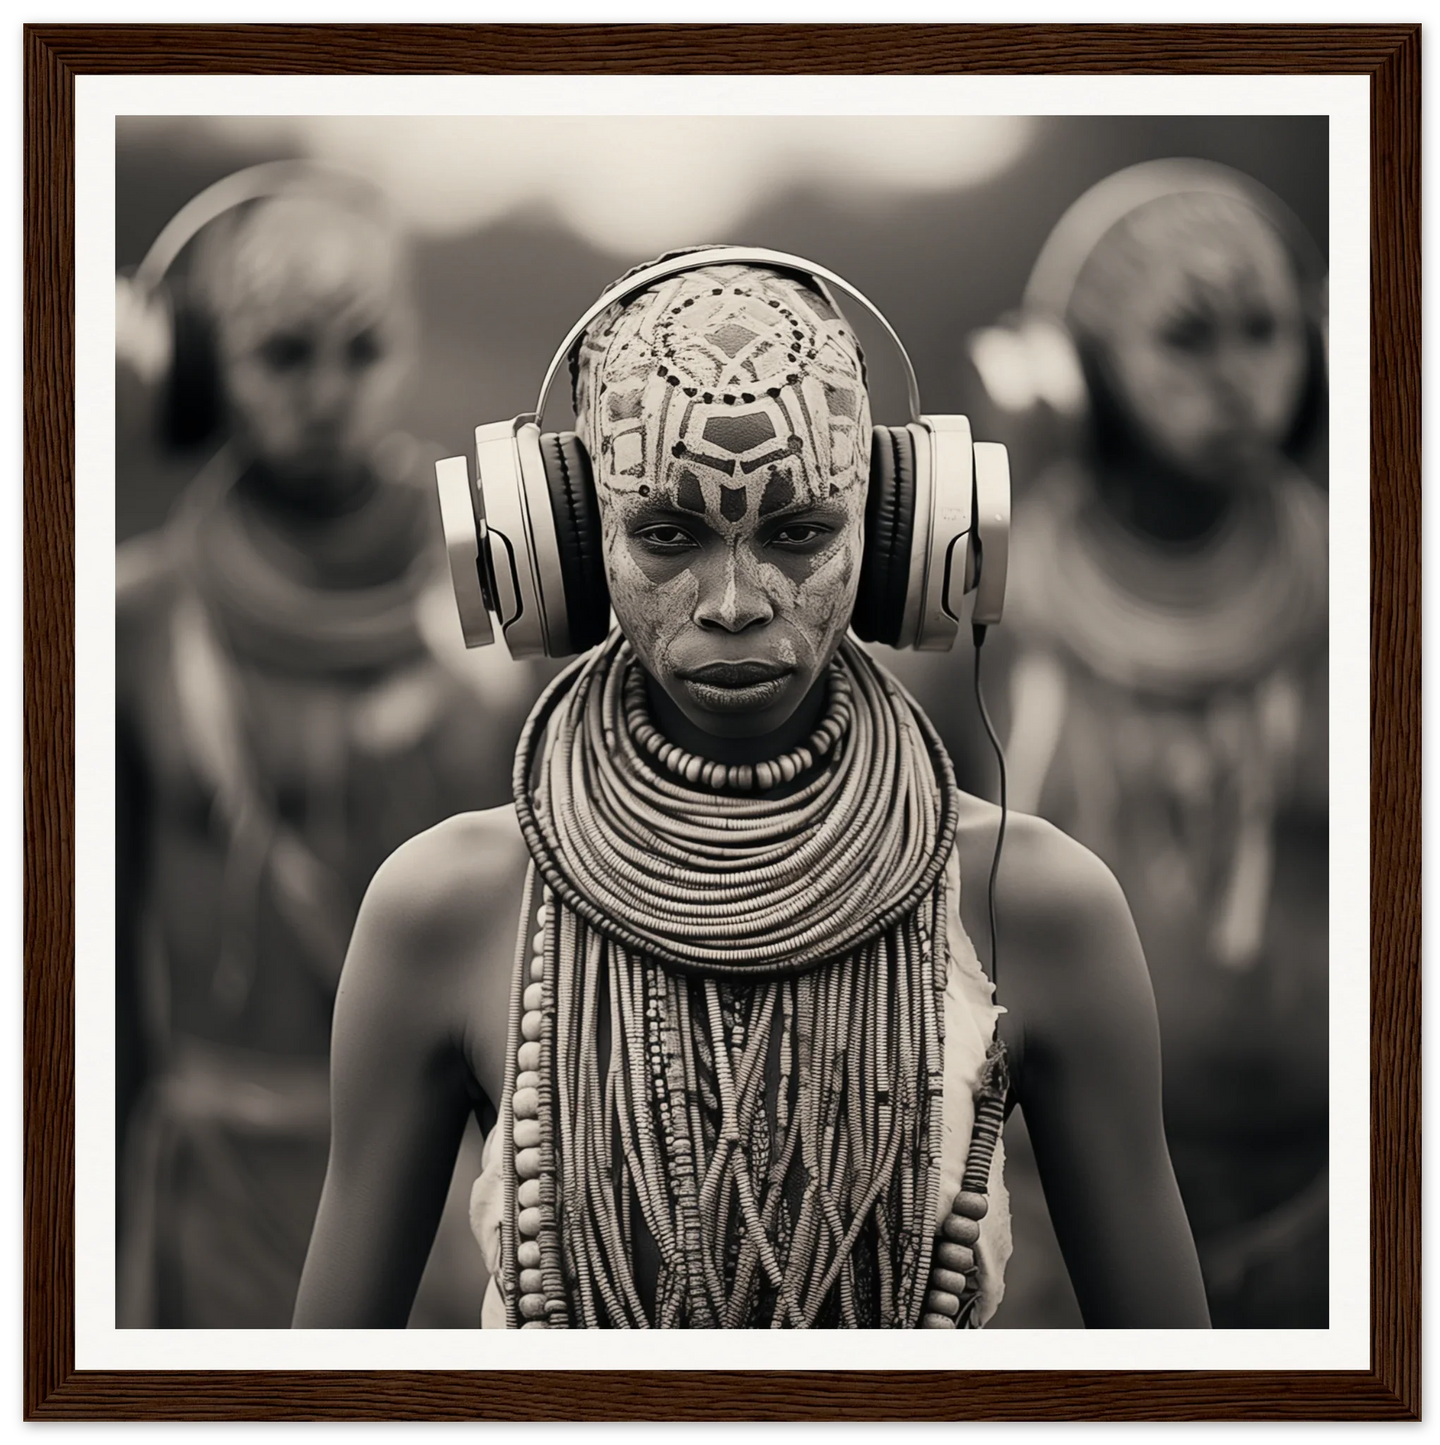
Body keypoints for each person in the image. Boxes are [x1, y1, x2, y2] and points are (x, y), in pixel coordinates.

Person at [293, 251, 1211, 1329]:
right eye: (667, 535)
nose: (734, 600)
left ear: (897, 532)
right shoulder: (445, 909)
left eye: (797, 532)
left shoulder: (1033, 901)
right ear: (566, 546)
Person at [115, 170, 550, 1327]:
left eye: (361, 351)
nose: (327, 392)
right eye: (283, 354)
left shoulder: (509, 598)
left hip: (478, 1184)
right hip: (225, 1195)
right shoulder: (135, 621)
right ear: (197, 367)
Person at [904, 162, 1330, 1328]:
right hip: (1032, 1214)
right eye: (1187, 339)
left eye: (1267, 330)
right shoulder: (973, 599)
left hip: (1339, 1202)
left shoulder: (1374, 591)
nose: (1240, 376)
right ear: (1065, 377)